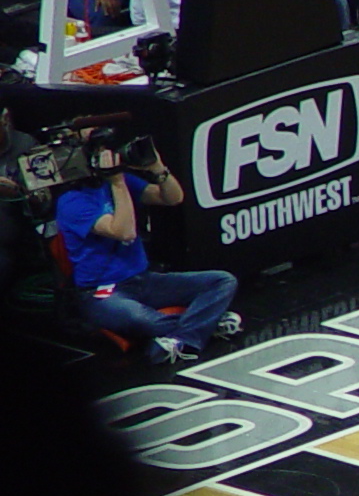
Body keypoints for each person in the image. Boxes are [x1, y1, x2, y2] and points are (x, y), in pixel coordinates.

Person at [53, 141, 241, 365]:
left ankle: (185, 336)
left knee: (222, 280)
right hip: (102, 291)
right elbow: (124, 232)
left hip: (144, 280)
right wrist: (118, 183)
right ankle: (206, 325)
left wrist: (157, 168)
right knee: (142, 320)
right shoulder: (71, 202)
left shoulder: (118, 183)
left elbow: (172, 198)